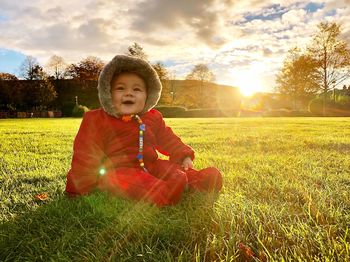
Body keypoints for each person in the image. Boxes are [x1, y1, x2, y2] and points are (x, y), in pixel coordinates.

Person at [65, 55, 222, 207]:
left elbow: (167, 138)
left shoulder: (152, 117)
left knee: (171, 170)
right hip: (118, 170)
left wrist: (183, 155)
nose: (129, 93)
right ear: (108, 93)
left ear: (148, 96)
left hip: (151, 164)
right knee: (130, 182)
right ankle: (165, 193)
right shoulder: (97, 119)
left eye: (137, 89)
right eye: (120, 88)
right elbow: (85, 154)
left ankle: (200, 180)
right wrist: (78, 187)